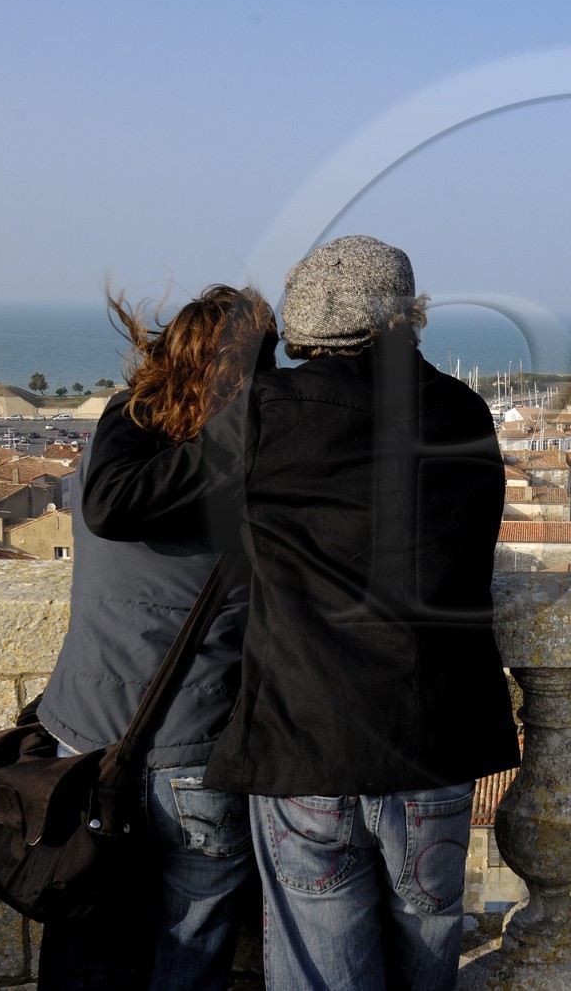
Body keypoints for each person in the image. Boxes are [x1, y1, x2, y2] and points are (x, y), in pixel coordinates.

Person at [82, 236, 521, 989]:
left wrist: (143, 393)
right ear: (406, 317)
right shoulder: (465, 413)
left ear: (306, 330)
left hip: (308, 750)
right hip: (434, 749)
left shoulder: (271, 416)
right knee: (427, 969)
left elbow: (115, 502)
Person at [36, 284, 277, 989]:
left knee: (81, 946)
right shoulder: (247, 463)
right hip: (195, 746)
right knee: (190, 960)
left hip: (82, 736)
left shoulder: (116, 440)